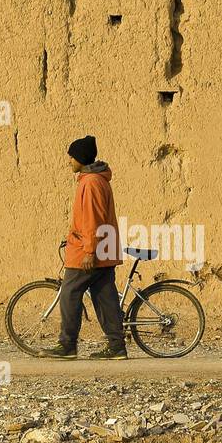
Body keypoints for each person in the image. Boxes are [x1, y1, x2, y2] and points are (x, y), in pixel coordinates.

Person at [53, 135, 127, 359]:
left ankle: (67, 345)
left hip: (91, 251)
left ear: (81, 159)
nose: (69, 161)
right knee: (105, 298)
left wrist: (89, 251)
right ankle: (116, 346)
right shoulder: (97, 180)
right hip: (103, 249)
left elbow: (92, 219)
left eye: (71, 157)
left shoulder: (91, 182)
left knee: (69, 293)